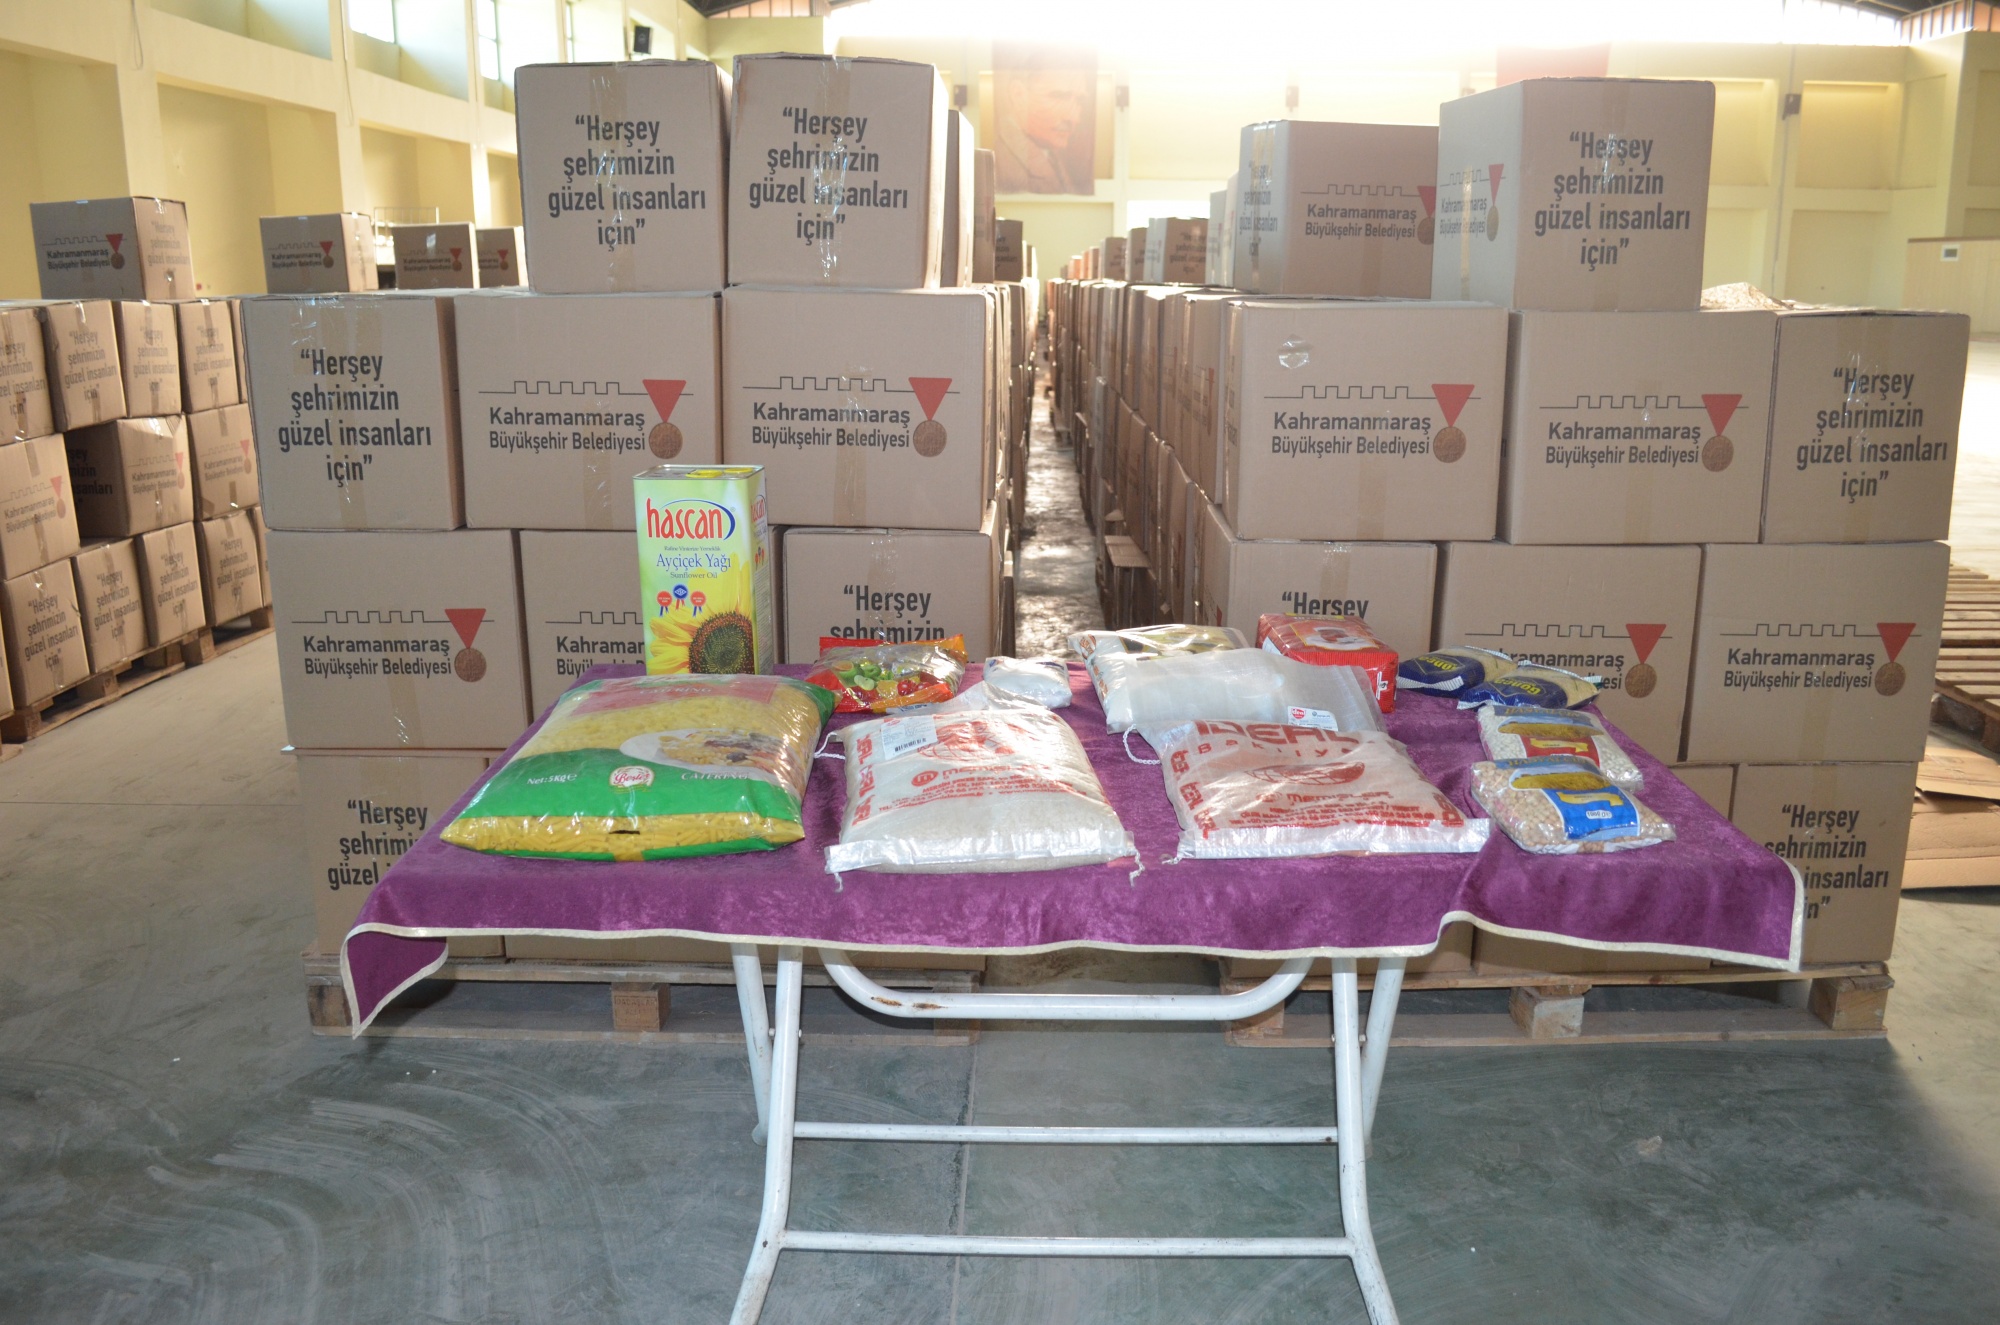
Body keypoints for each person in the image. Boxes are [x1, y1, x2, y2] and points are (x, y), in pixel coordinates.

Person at [995, 49, 1093, 195]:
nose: (1074, 118)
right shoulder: (1001, 158)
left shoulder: (1048, 150)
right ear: (1018, 95)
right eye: (1059, 96)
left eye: (1079, 101)